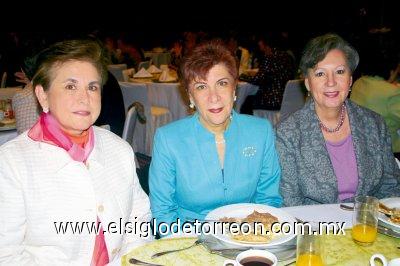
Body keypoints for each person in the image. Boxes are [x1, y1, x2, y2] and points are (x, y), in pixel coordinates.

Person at [0, 39, 152, 265]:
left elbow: (138, 222)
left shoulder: (118, 149)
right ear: (43, 95)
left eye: (92, 87)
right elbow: (7, 255)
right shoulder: (12, 163)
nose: (85, 98)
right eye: (70, 86)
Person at [149, 39, 282, 236]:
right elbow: (163, 213)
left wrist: (252, 238)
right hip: (189, 241)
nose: (214, 97)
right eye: (201, 87)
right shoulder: (168, 140)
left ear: (234, 88)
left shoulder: (261, 131)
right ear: (190, 97)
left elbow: (268, 200)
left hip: (250, 238)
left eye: (221, 83)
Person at [276, 33, 400, 207]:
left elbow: (390, 188)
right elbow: (290, 202)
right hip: (317, 228)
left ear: (350, 80)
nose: (331, 82)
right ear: (307, 84)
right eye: (320, 74)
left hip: (368, 227)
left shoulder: (375, 125)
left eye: (340, 72)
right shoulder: (288, 134)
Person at [350, 37, 400, 158]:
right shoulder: (391, 93)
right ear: (391, 71)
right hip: (391, 153)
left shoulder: (358, 83)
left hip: (363, 150)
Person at [240, 34, 295, 114]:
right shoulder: (287, 57)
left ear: (266, 45)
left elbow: (258, 79)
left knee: (246, 103)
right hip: (286, 100)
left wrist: (243, 77)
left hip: (270, 101)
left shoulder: (270, 58)